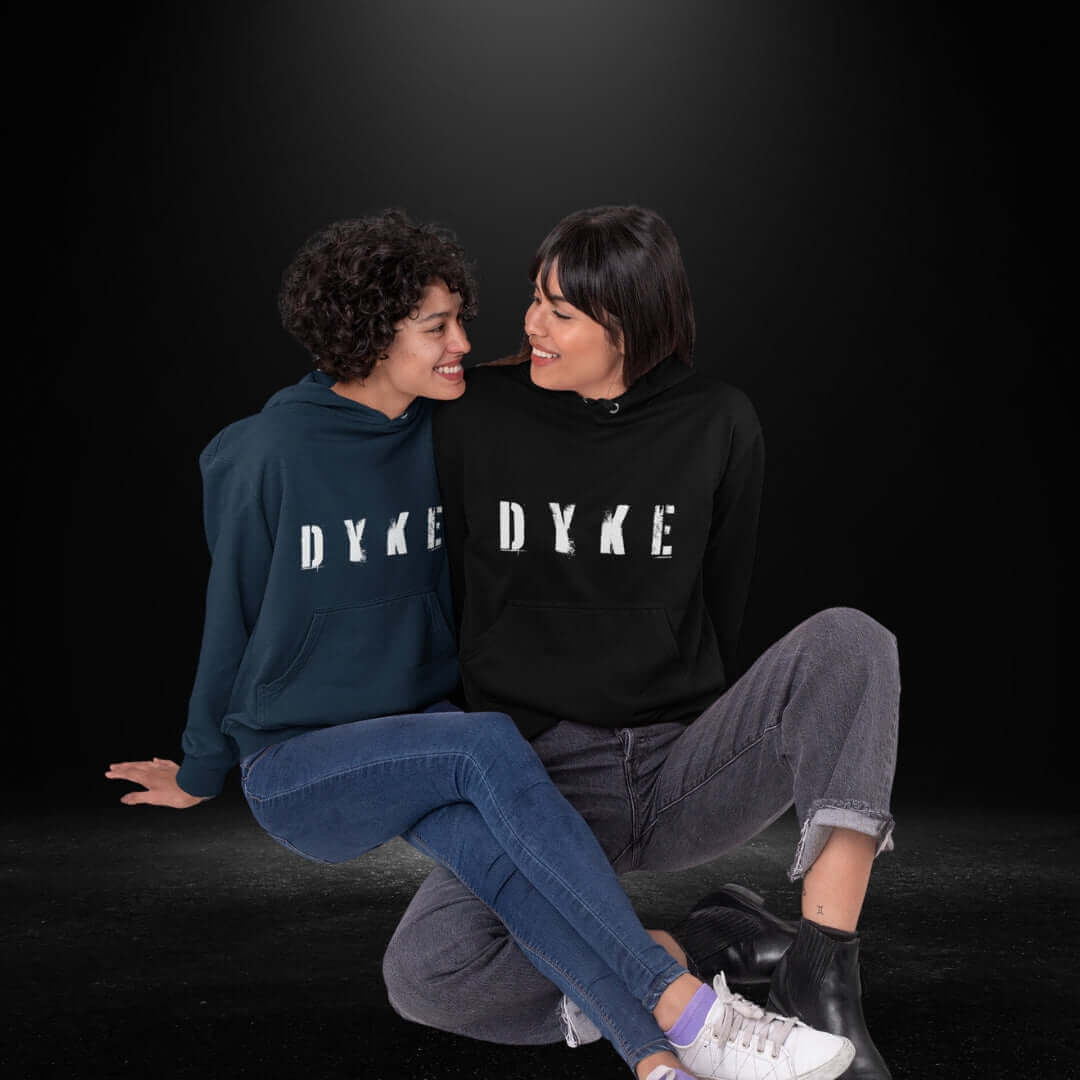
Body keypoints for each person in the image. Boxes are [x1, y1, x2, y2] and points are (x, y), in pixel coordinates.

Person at [104, 210, 855, 1080]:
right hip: (301, 761)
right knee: (485, 742)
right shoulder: (263, 454)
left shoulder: (438, 433)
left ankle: (659, 1063)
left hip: (421, 742)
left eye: (461, 318)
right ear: (370, 334)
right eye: (438, 328)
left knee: (523, 886)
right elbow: (228, 613)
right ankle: (688, 1004)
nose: (464, 341)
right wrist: (201, 770)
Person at [384, 205, 900, 1080]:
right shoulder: (473, 415)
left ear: (629, 324)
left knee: (853, 642)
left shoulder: (719, 421)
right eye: (536, 300)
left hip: (680, 766)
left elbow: (719, 606)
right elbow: (435, 583)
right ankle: (696, 956)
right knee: (428, 975)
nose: (531, 325)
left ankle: (821, 971)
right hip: (540, 784)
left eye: (561, 312)